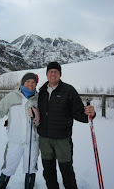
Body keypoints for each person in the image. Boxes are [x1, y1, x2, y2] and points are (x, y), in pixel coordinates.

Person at [37, 61, 96, 189]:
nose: (53, 74)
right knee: (48, 172)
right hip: (45, 139)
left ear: (60, 74)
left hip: (62, 140)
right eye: (50, 71)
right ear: (46, 74)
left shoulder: (68, 90)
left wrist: (90, 113)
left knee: (67, 172)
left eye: (56, 71)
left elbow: (80, 114)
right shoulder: (41, 91)